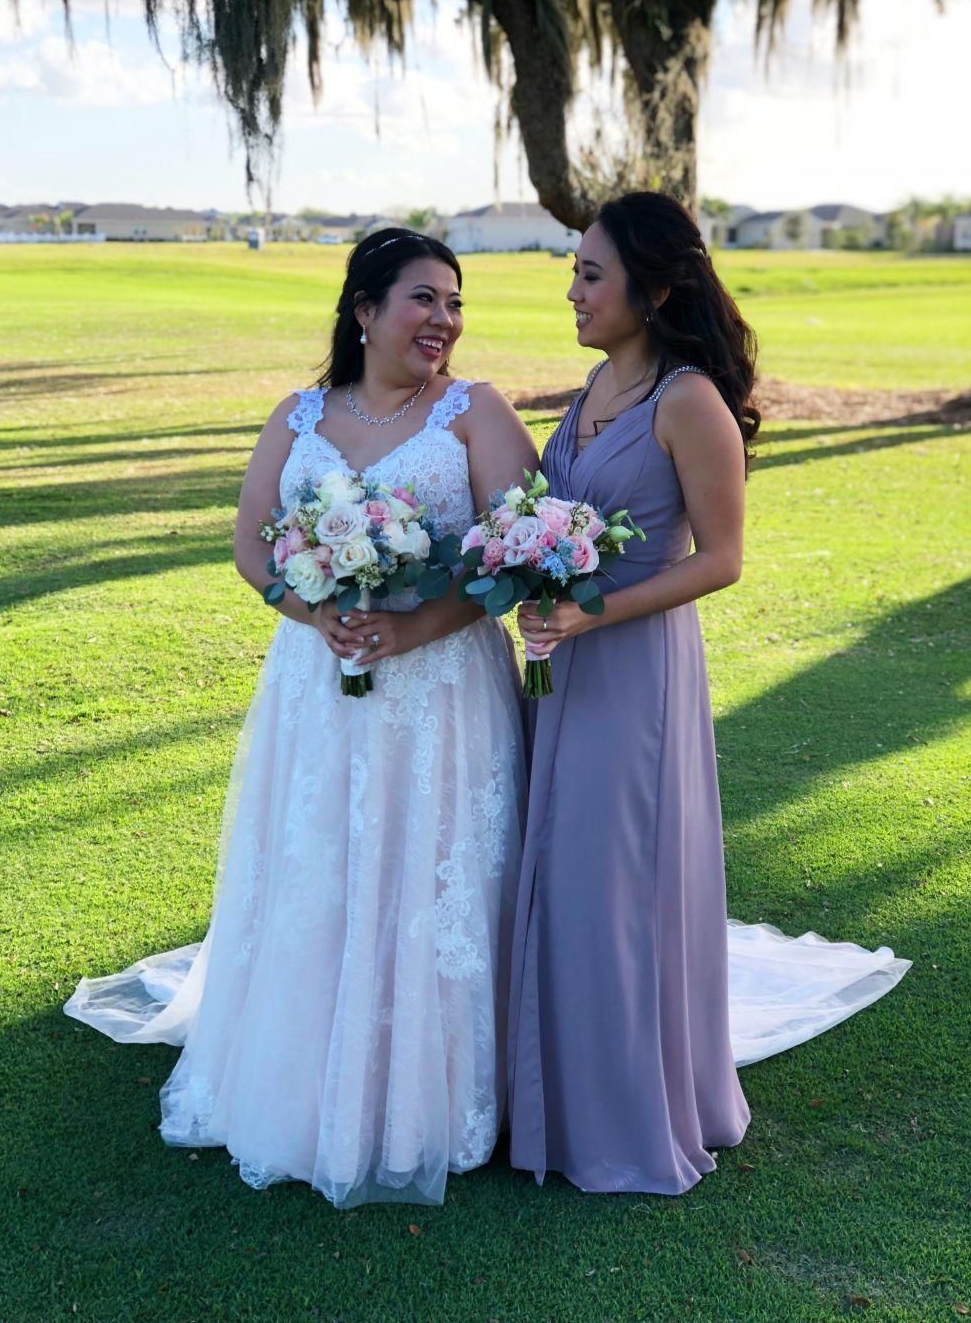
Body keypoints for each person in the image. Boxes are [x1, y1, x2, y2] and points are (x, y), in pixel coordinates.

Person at [65, 228, 539, 1209]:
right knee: (321, 861)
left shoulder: (473, 414)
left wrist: (411, 633)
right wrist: (313, 608)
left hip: (439, 691)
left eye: (454, 302)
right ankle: (301, 1071)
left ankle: (428, 1095)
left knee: (426, 866)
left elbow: (514, 554)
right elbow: (250, 540)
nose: (443, 320)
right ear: (362, 310)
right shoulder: (297, 415)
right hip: (315, 686)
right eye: (422, 299)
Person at [507, 191, 910, 1196]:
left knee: (612, 883)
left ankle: (626, 1113)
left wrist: (594, 613)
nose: (573, 290)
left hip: (634, 671)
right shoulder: (596, 384)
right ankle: (550, 1096)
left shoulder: (686, 400)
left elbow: (722, 559)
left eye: (590, 273)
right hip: (565, 663)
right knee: (557, 872)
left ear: (654, 286)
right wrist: (531, 578)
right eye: (574, 271)